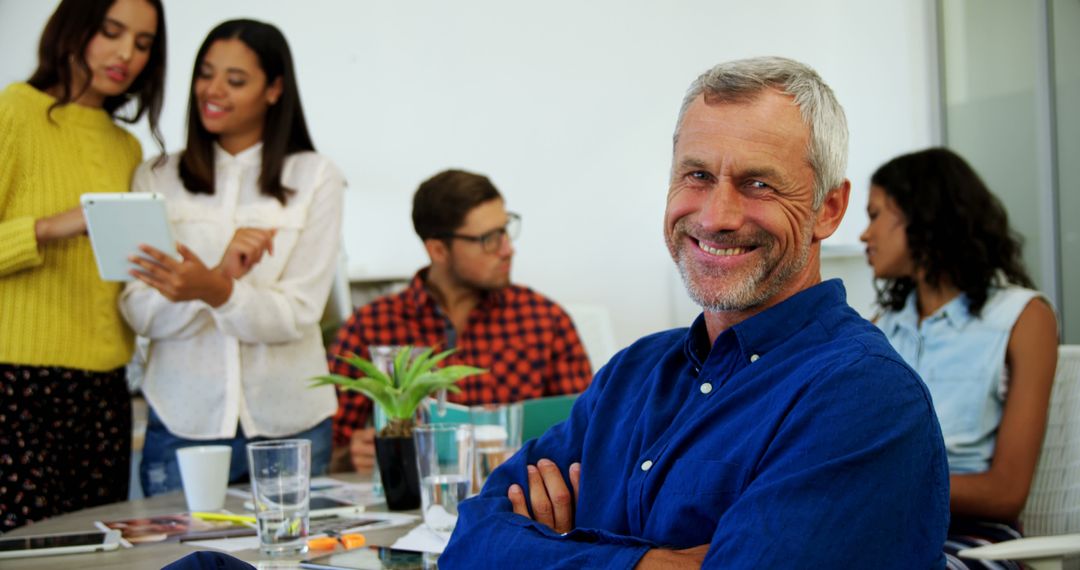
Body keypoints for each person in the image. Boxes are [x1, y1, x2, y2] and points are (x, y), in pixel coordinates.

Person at [441, 56, 950, 569]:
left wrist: (562, 547)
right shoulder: (632, 373)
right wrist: (655, 563)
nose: (715, 216)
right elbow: (469, 541)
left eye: (759, 184)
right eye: (697, 175)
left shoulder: (865, 395)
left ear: (829, 209)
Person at [118, 19, 344, 496]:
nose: (213, 90)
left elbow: (298, 314)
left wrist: (216, 292)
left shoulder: (316, 177)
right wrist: (216, 280)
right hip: (184, 421)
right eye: (205, 73)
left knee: (294, 564)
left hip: (291, 424)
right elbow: (138, 311)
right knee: (179, 567)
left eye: (235, 80)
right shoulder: (156, 176)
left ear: (274, 89)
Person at [0, 0, 167, 530]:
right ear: (73, 27)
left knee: (97, 553)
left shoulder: (125, 146)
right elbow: (68, 228)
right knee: (25, 552)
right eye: (111, 32)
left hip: (104, 390)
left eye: (142, 44)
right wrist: (51, 227)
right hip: (17, 383)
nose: (126, 55)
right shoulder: (14, 111)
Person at [861, 147, 1058, 569]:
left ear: (921, 216)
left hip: (974, 540)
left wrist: (883, 482)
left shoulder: (1023, 318)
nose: (864, 234)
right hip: (882, 527)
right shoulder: (880, 325)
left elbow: (1006, 493)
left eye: (875, 215)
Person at [329, 169, 593, 474]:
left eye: (505, 230)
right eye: (489, 239)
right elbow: (330, 448)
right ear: (438, 250)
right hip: (414, 508)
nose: (508, 249)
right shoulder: (371, 328)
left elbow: (589, 434)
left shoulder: (545, 321)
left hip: (518, 505)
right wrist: (350, 456)